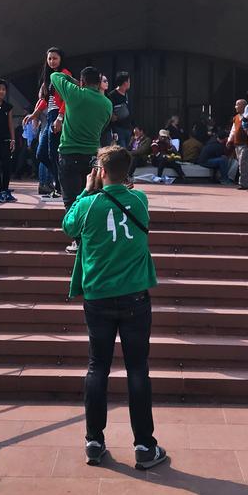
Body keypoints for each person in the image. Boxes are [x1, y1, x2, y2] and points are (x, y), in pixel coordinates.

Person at [61, 145, 166, 471]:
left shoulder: (89, 206)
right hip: (135, 295)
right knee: (137, 369)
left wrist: (86, 190)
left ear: (100, 171)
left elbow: (68, 227)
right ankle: (144, 446)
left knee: (98, 367)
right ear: (127, 171)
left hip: (98, 296)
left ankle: (94, 440)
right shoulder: (140, 200)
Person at [51, 66, 113, 254]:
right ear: (98, 82)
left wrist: (74, 82)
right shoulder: (107, 104)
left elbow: (55, 75)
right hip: (91, 157)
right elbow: (103, 128)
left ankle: (78, 240)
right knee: (92, 197)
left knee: (71, 200)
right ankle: (91, 237)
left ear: (82, 81)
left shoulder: (74, 94)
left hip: (68, 154)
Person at [24, 48, 72, 198]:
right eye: (49, 58)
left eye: (55, 58)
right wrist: (34, 114)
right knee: (42, 153)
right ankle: (60, 183)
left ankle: (60, 186)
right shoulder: (48, 77)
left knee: (52, 153)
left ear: (61, 59)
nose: (52, 61)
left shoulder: (65, 74)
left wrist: (60, 117)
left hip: (58, 116)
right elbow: (44, 100)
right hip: (50, 116)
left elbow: (67, 98)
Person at [227, 98, 248, 190]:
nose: (236, 107)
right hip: (237, 144)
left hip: (245, 143)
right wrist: (230, 140)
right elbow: (233, 130)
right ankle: (247, 182)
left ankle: (243, 183)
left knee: (243, 163)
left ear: (244, 106)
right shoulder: (236, 117)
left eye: (238, 105)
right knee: (242, 163)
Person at [108, 72, 133, 149]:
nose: (129, 83)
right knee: (121, 151)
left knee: (127, 152)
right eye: (129, 81)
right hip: (118, 129)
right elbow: (109, 111)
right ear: (125, 83)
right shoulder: (112, 95)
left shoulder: (127, 94)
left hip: (128, 128)